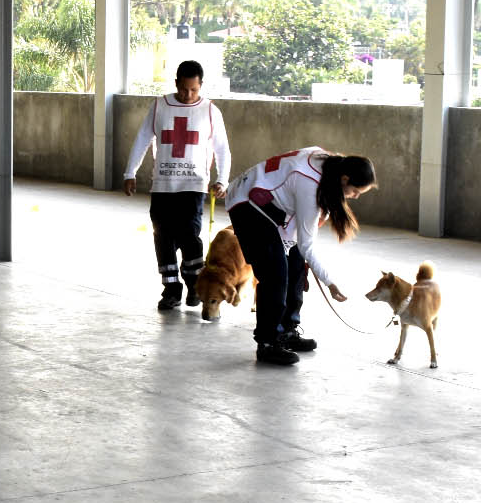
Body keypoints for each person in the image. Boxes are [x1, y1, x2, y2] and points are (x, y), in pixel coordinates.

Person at [223, 148, 376, 366]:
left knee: (295, 265)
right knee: (275, 274)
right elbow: (307, 244)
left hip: (272, 206)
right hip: (246, 204)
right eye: (355, 191)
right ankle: (268, 343)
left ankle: (287, 330)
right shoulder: (310, 185)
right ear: (344, 179)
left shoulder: (328, 166)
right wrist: (330, 282)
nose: (356, 196)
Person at [123, 60, 231, 310]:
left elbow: (222, 148)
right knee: (163, 237)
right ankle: (171, 289)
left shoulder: (210, 110)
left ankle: (195, 285)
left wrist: (221, 179)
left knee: (190, 237)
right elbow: (142, 139)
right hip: (162, 185)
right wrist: (130, 172)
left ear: (200, 86)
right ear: (176, 84)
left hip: (193, 185)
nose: (188, 95)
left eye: (193, 90)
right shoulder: (160, 105)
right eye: (183, 89)